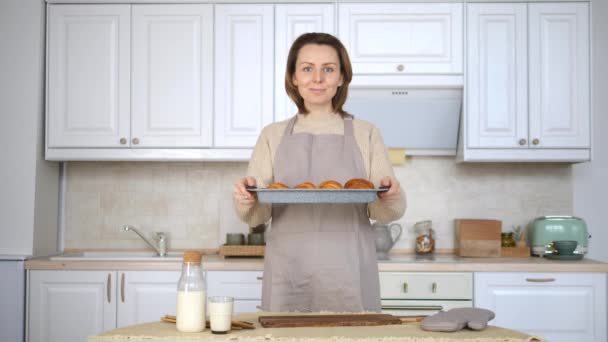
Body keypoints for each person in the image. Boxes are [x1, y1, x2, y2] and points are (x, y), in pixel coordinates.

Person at [232, 32, 406, 312]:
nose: (317, 78)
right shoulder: (272, 135)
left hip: (349, 270)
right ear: (293, 78)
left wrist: (391, 194)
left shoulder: (367, 133)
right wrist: (246, 197)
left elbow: (386, 212)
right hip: (288, 271)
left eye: (328, 69)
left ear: (341, 77)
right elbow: (257, 215)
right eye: (307, 68)